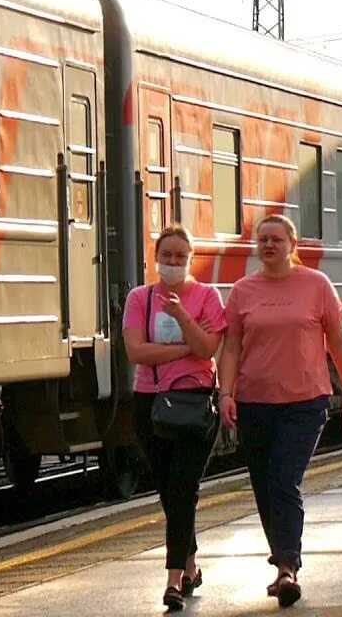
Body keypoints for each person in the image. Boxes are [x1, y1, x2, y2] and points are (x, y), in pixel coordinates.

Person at [217, 214, 342, 608]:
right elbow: (231, 347)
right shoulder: (243, 291)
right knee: (265, 488)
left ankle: (288, 567)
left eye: (276, 239)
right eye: (262, 239)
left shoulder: (316, 285)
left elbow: (337, 341)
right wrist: (225, 393)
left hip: (305, 401)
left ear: (292, 245)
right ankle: (282, 558)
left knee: (283, 480)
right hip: (254, 402)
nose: (268, 245)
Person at [122, 225, 226, 611]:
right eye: (167, 256)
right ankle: (191, 563)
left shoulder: (206, 296)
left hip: (194, 402)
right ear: (156, 257)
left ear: (190, 259)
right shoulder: (140, 298)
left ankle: (173, 580)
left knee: (183, 489)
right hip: (148, 403)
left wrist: (183, 318)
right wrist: (187, 348)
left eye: (181, 257)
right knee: (169, 491)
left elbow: (209, 348)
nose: (173, 263)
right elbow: (137, 352)